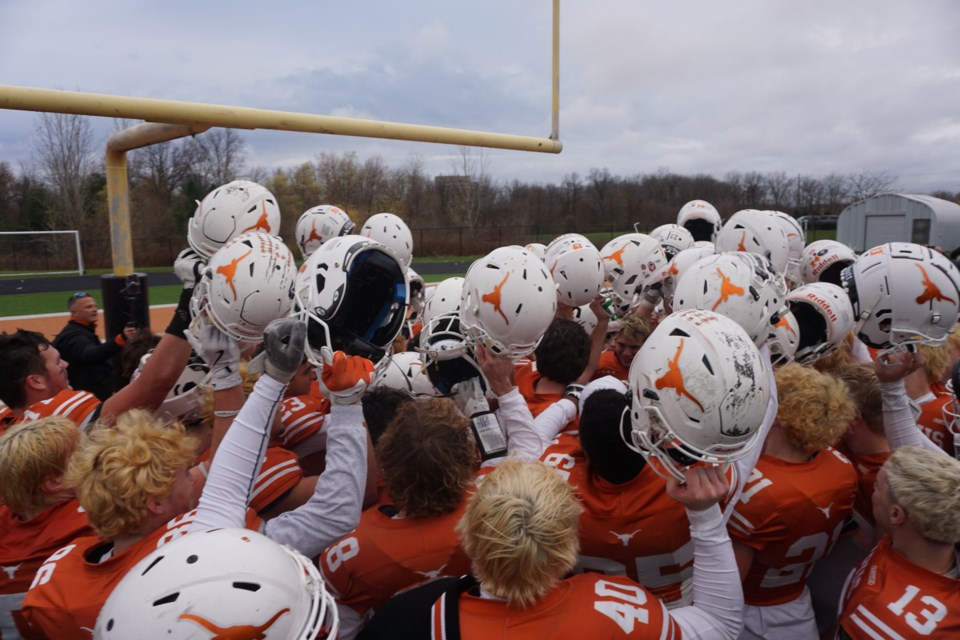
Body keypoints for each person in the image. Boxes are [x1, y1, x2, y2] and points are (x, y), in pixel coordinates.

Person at [359, 458, 743, 639]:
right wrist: (705, 513)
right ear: (566, 550)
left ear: (470, 535)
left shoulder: (407, 618)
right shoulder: (617, 608)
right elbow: (721, 625)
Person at [320, 397, 477, 639]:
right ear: (466, 459)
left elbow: (344, 631)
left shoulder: (347, 552)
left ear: (387, 464)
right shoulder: (491, 509)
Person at [728, 363, 858, 640]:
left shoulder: (758, 491)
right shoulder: (842, 468)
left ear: (778, 414)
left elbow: (728, 583)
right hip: (796, 602)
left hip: (751, 613)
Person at [837, 447, 960, 638]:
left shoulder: (879, 617)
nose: (873, 492)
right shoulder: (935, 527)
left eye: (877, 487)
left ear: (896, 514)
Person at [0, 417, 95, 638]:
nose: (95, 454)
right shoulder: (90, 522)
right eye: (83, 452)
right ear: (54, 483)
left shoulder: (13, 508)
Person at [52, 292, 138, 400]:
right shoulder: (74, 335)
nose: (94, 309)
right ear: (74, 312)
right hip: (88, 397)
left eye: (94, 306)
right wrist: (120, 339)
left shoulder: (82, 330)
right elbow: (90, 354)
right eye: (88, 307)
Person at [591, 314, 651, 381]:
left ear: (646, 345)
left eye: (634, 347)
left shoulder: (655, 367)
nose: (626, 353)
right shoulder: (598, 365)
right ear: (614, 341)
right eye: (621, 345)